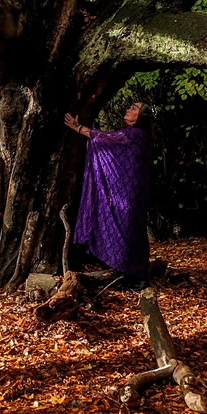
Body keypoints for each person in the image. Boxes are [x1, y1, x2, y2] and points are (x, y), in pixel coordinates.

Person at [63, 102, 153, 287]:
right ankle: (133, 274)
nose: (128, 109)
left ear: (141, 117)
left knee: (128, 230)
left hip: (131, 193)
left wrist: (78, 128)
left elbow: (106, 138)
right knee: (131, 230)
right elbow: (109, 140)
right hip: (133, 192)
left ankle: (135, 276)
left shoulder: (135, 135)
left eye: (134, 109)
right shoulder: (134, 135)